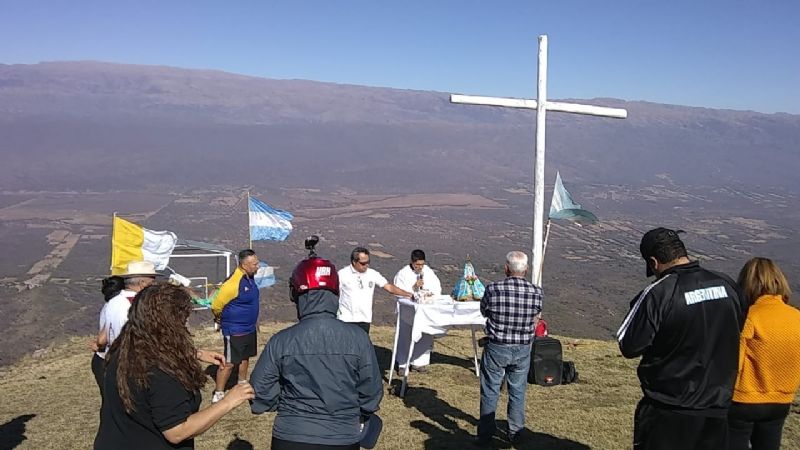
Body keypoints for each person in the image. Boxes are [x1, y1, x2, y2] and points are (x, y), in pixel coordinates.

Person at [617, 227, 745, 450]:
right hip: (718, 407)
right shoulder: (726, 284)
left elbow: (629, 345)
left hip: (670, 409)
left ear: (654, 262)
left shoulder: (659, 293)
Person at [250, 238, 383, 450]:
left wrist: (286, 406)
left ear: (297, 294)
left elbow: (259, 394)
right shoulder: (358, 338)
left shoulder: (282, 341)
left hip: (290, 435)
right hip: (343, 437)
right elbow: (372, 393)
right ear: (335, 292)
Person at [94, 283, 255, 450]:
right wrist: (228, 401)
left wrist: (195, 353)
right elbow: (177, 432)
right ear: (169, 323)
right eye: (183, 320)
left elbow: (155, 344)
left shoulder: (125, 348)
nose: (185, 326)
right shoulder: (160, 371)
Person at [728, 257, 800, 450]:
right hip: (781, 401)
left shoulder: (749, 316)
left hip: (743, 400)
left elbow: (733, 363)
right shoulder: (796, 317)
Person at [476, 251, 542, 446]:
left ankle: (486, 434)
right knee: (518, 391)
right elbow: (536, 316)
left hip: (497, 346)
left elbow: (483, 311)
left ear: (506, 268)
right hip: (522, 348)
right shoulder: (536, 292)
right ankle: (516, 432)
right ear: (526, 270)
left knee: (490, 390)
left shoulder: (493, 289)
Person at [210, 249, 261, 403]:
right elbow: (216, 304)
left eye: (257, 263)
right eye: (254, 264)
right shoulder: (234, 282)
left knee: (245, 356)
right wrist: (220, 318)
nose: (257, 266)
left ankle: (242, 382)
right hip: (235, 329)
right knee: (230, 361)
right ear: (244, 265)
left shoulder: (250, 277)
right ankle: (219, 392)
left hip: (249, 328)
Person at [337, 247, 412, 334]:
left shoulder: (372, 274)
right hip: (346, 319)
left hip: (364, 319)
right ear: (354, 262)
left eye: (368, 262)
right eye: (363, 263)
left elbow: (389, 287)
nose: (366, 265)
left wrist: (408, 294)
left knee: (362, 346)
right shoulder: (342, 274)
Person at [393, 249, 442, 373]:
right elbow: (399, 291)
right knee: (406, 336)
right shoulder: (403, 274)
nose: (420, 267)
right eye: (417, 265)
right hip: (408, 310)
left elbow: (436, 287)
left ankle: (419, 362)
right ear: (412, 262)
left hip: (425, 310)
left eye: (422, 264)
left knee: (425, 335)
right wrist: (414, 288)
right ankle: (403, 364)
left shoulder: (428, 272)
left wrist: (428, 294)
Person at [90, 275, 125, 396]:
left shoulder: (108, 306)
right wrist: (99, 345)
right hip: (107, 360)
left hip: (102, 359)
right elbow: (102, 339)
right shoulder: (116, 307)